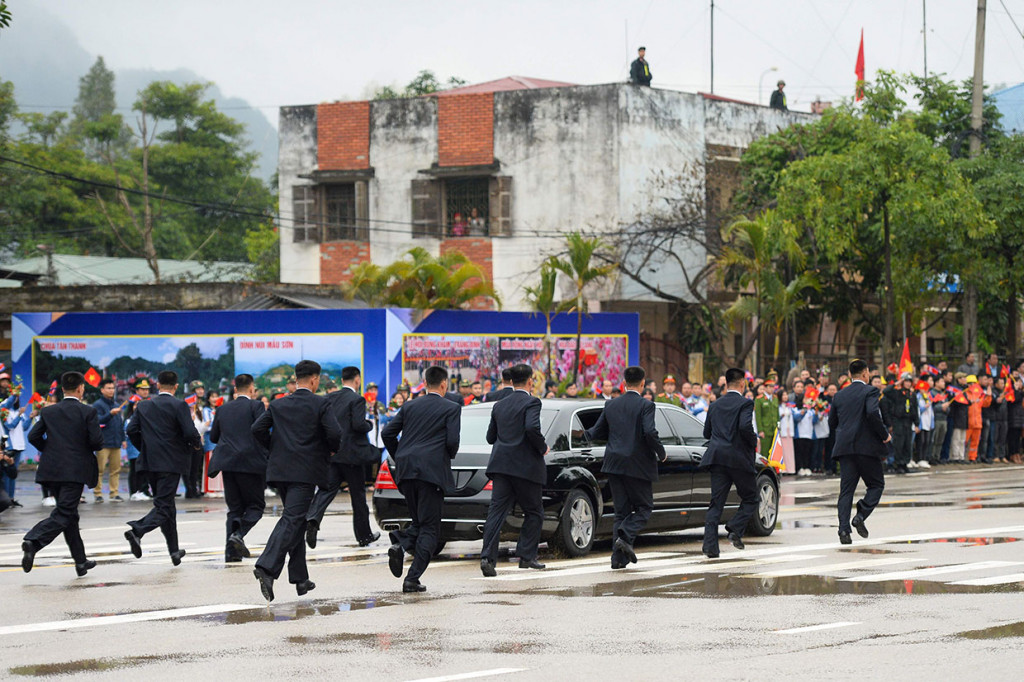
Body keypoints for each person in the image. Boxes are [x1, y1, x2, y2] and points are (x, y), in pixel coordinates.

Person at [252, 360, 341, 602]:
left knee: (297, 519)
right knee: (292, 519)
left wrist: (275, 448)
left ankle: (300, 578)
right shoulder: (321, 403)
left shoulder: (279, 404)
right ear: (314, 379)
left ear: (296, 378)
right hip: (305, 471)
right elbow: (334, 434)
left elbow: (257, 429)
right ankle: (266, 567)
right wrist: (330, 450)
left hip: (281, 470)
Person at [380, 365, 461, 593]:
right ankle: (412, 577)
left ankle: (400, 543)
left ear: (425, 384)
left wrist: (402, 456)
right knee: (430, 529)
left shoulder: (409, 405)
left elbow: (387, 433)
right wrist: (444, 457)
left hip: (406, 472)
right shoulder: (452, 407)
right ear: (444, 384)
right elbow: (452, 442)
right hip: (431, 474)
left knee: (419, 522)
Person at [21, 372, 103, 577]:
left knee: (70, 516)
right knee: (65, 513)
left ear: (63, 389)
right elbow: (96, 442)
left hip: (52, 469)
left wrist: (49, 450)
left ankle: (81, 561)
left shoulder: (49, 411)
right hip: (74, 470)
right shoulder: (88, 411)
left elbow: (33, 436)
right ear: (81, 388)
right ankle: (33, 541)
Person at [584, 366, 666, 568]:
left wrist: (581, 434)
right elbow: (649, 432)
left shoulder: (611, 405)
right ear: (642, 383)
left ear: (623, 383)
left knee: (621, 512)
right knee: (644, 508)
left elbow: (596, 432)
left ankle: (617, 560)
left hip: (614, 463)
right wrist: (661, 452)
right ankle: (625, 534)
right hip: (637, 464)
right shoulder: (646, 405)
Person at [124, 370, 203, 566]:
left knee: (167, 505)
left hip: (150, 462)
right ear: (176, 386)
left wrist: (144, 447)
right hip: (171, 462)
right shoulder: (179, 405)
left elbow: (131, 430)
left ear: (157, 385)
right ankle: (137, 531)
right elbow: (188, 431)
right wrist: (195, 443)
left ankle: (174, 551)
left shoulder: (143, 405)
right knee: (164, 505)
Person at [479, 364, 548, 576]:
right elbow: (531, 428)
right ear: (530, 381)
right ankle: (527, 556)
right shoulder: (532, 402)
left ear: (510, 381)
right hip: (525, 468)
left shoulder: (499, 405)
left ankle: (487, 558)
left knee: (496, 512)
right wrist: (542, 446)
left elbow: (490, 437)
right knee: (534, 512)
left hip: (501, 466)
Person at [305, 366, 380, 550]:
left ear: (341, 380)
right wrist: (369, 425)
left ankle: (313, 519)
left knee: (326, 490)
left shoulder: (329, 398)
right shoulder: (357, 399)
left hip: (333, 453)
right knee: (358, 496)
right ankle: (364, 536)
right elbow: (358, 424)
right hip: (352, 456)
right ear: (357, 380)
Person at [829, 359, 891, 545]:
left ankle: (843, 530)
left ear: (849, 375)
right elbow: (872, 413)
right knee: (876, 485)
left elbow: (832, 423)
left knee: (846, 491)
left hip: (845, 448)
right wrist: (884, 434)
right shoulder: (870, 391)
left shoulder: (839, 395)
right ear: (866, 374)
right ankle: (861, 514)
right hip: (867, 448)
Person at [698, 368, 758, 559]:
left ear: (726, 383)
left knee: (716, 503)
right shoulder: (746, 403)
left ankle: (710, 547)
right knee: (751, 498)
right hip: (739, 458)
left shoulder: (714, 405)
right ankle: (734, 527)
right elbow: (744, 426)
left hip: (717, 458)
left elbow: (706, 433)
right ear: (742, 384)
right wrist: (752, 440)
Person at [207, 374, 268, 563]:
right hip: (251, 463)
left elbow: (214, 437)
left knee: (234, 509)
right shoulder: (256, 406)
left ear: (235, 390)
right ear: (251, 389)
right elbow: (262, 430)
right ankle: (239, 535)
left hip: (228, 463)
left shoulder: (222, 409)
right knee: (256, 506)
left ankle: (231, 553)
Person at [92, 378, 125, 502]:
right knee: (99, 470)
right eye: (109, 388)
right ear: (102, 390)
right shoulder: (97, 405)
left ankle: (114, 493)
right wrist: (110, 414)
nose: (111, 390)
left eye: (113, 388)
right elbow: (98, 421)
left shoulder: (116, 404)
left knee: (115, 470)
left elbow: (120, 424)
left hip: (116, 442)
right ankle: (98, 493)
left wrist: (123, 439)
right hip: (103, 443)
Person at [882, 373, 919, 474]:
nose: (907, 384)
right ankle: (898, 464)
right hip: (898, 421)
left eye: (909, 381)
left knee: (908, 444)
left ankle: (905, 463)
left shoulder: (912, 395)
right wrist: (897, 383)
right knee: (899, 443)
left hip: (908, 421)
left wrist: (916, 423)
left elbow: (915, 409)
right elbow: (886, 391)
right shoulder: (897, 393)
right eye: (906, 381)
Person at [124, 379, 152, 501]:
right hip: (134, 445)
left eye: (147, 389)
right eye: (143, 389)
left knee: (145, 469)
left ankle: (144, 490)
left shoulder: (150, 402)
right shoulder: (131, 407)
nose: (145, 391)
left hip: (145, 444)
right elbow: (128, 428)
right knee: (135, 468)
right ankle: (134, 491)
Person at [754, 381, 779, 456]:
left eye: (773, 386)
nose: (772, 389)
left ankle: (773, 467)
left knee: (774, 453)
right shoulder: (759, 399)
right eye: (770, 386)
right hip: (765, 429)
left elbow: (777, 415)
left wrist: (779, 428)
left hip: (774, 428)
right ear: (765, 388)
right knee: (765, 452)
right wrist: (760, 430)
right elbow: (758, 416)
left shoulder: (775, 399)